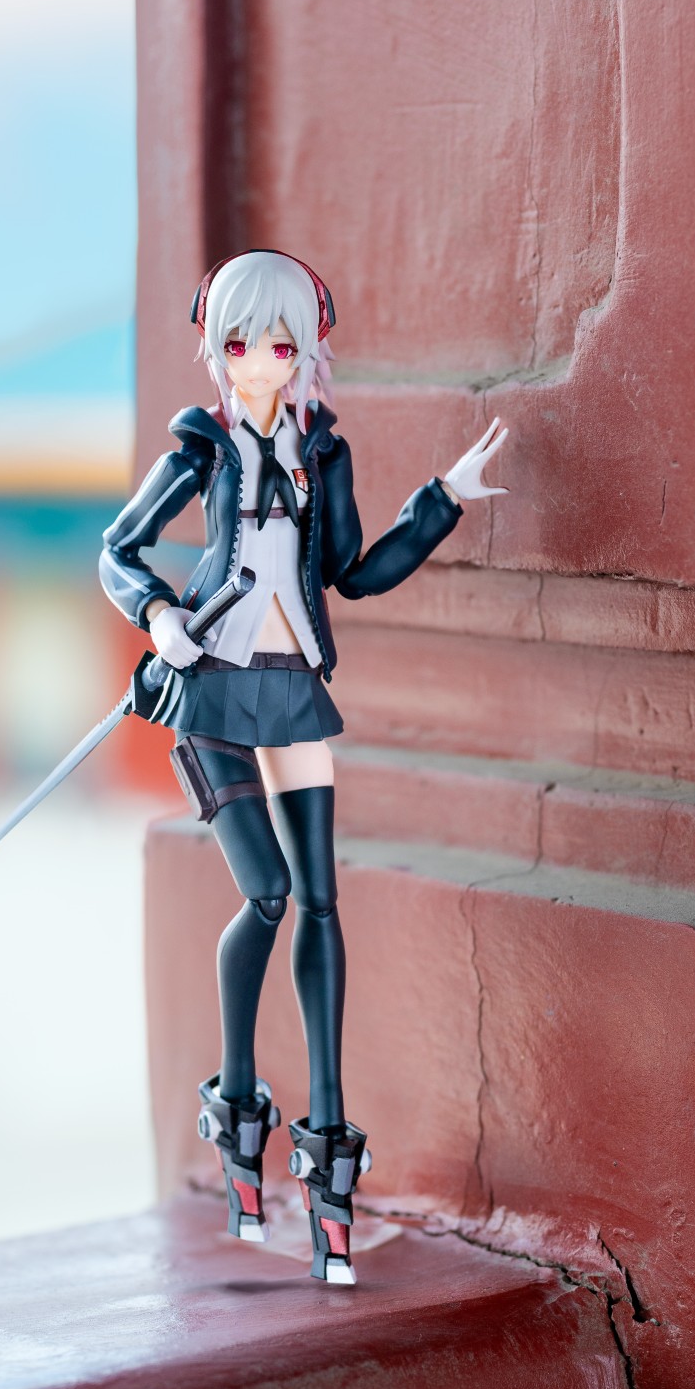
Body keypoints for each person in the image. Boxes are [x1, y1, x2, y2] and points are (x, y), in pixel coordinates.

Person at [99, 249, 508, 1283]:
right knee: (270, 893)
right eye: (239, 343)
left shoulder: (323, 453)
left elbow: (353, 575)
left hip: (291, 690)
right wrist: (160, 617)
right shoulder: (200, 447)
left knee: (322, 903)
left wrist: (443, 499)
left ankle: (327, 1134)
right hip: (212, 692)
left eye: (278, 345)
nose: (258, 362)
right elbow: (118, 550)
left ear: (306, 350)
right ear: (215, 346)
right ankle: (238, 1098)